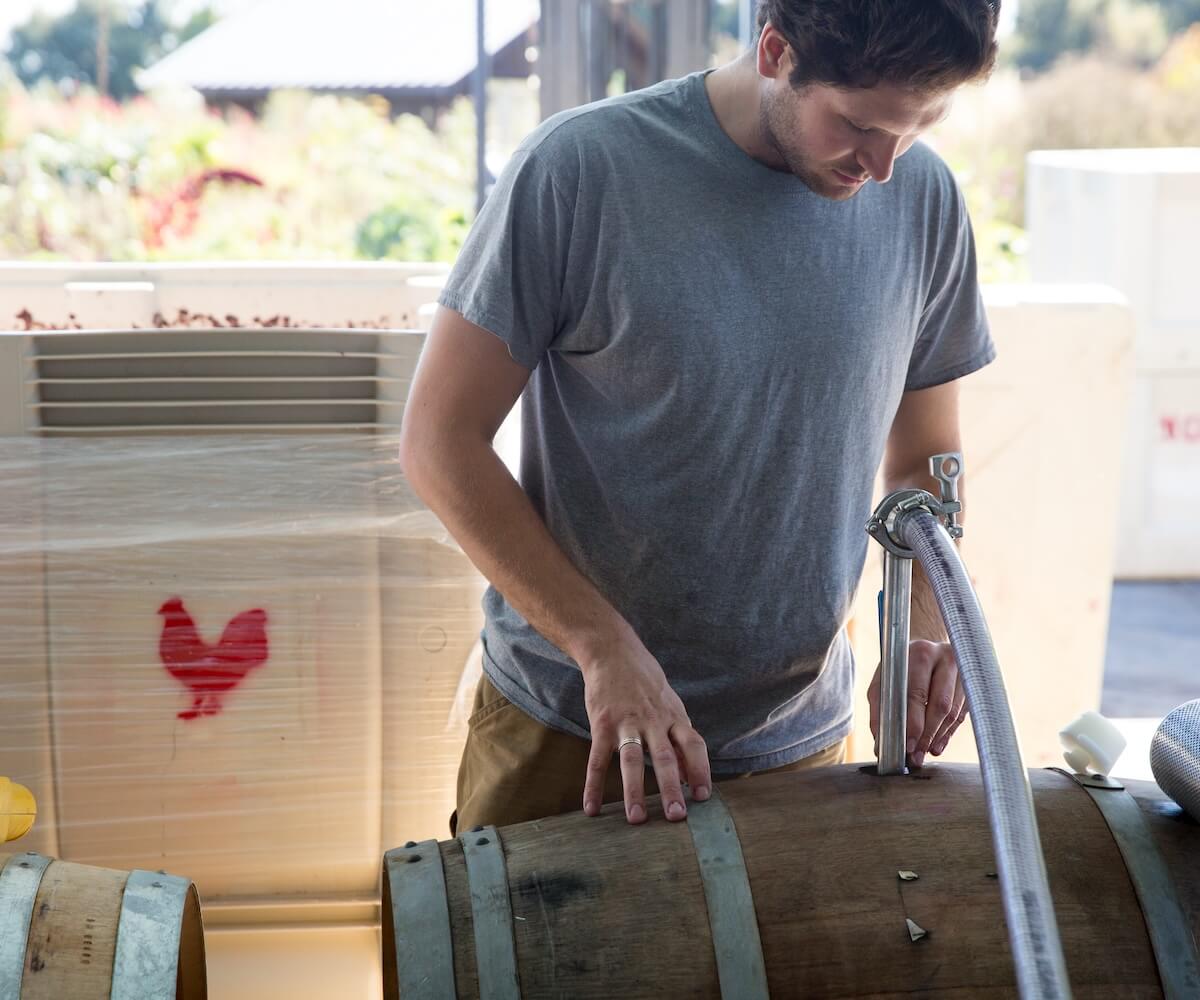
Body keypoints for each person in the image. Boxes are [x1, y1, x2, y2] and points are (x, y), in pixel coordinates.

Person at [399, 0, 1000, 836]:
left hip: (799, 748)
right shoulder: (580, 170)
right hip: (572, 732)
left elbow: (929, 458)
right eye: (857, 124)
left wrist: (926, 622)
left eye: (917, 125)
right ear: (775, 50)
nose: (885, 165)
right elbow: (438, 442)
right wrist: (600, 645)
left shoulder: (926, 200)